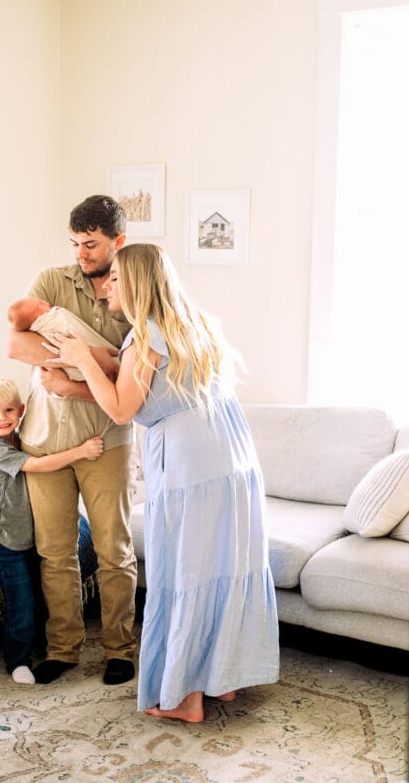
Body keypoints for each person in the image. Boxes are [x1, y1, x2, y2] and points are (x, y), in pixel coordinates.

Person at [44, 243, 280, 722]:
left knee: (185, 572)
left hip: (190, 464)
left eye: (113, 280)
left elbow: (122, 409)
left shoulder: (144, 338)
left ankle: (185, 697)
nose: (106, 287)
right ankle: (221, 681)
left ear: (133, 283)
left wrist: (81, 360)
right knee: (222, 567)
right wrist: (83, 378)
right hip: (232, 458)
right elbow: (150, 389)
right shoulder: (195, 326)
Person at [6, 195, 138, 686]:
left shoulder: (134, 288)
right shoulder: (50, 282)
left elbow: (133, 371)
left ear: (117, 241)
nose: (81, 253)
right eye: (75, 243)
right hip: (44, 439)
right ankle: (63, 648)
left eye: (91, 244)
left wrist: (80, 367)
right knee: (55, 553)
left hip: (108, 438)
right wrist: (94, 357)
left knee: (113, 550)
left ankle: (119, 649)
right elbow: (16, 345)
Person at [0, 377, 103, 685]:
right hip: (5, 543)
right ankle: (16, 661)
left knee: (41, 596)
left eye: (8, 410)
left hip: (28, 538)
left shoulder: (19, 437)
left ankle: (48, 646)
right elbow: (40, 465)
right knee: (21, 606)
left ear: (20, 411)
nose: (1, 418)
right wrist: (81, 450)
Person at [8, 296, 119, 383]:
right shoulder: (50, 321)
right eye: (40, 304)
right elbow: (12, 348)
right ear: (35, 319)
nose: (44, 302)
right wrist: (89, 356)